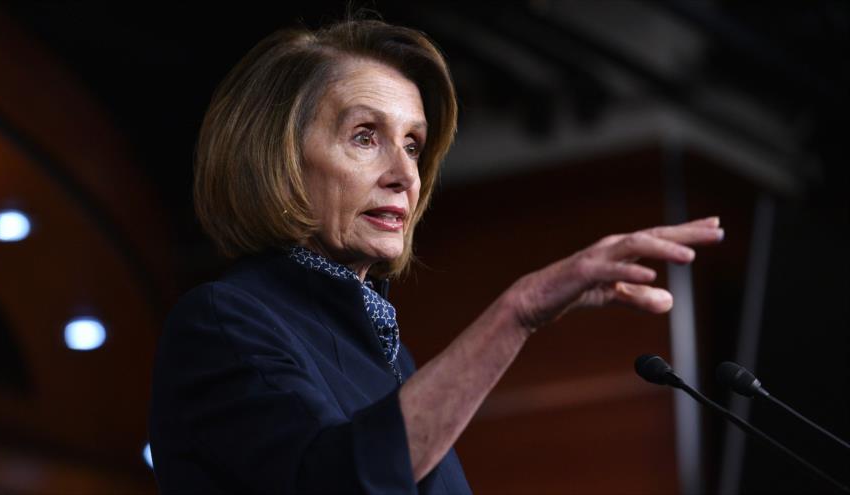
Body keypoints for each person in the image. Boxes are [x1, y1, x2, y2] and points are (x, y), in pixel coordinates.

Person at [148, 18, 724, 495]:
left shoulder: (389, 352)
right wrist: (518, 311)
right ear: (275, 155)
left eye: (413, 145)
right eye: (365, 136)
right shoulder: (223, 322)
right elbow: (341, 482)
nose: (404, 176)